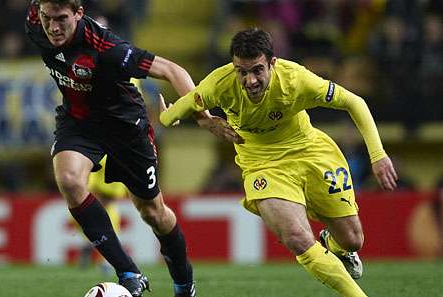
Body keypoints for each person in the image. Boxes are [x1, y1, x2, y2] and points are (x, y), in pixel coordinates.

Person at [159, 28, 398, 297]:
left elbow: (354, 102)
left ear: (273, 63)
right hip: (262, 165)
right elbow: (173, 114)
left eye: (257, 70)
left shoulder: (296, 79)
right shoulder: (218, 84)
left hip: (311, 152)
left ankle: (334, 245)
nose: (249, 80)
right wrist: (204, 121)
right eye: (242, 71)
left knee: (353, 239)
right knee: (296, 238)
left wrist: (378, 156)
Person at [24, 1, 231, 296]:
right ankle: (129, 272)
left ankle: (184, 283)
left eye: (61, 19)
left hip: (125, 127)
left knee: (153, 213)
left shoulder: (107, 48)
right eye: (47, 18)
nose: (54, 27)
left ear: (79, 14)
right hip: (79, 121)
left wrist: (203, 116)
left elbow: (173, 69)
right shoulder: (35, 21)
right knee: (69, 179)